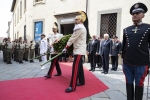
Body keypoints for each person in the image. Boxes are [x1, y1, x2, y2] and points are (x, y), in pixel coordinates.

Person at [122, 2, 150, 100]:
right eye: (133, 13)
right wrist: (123, 61)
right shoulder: (126, 30)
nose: (134, 15)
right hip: (128, 62)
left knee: (139, 84)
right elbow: (124, 47)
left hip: (141, 62)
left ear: (143, 15)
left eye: (138, 13)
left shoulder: (148, 28)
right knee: (128, 83)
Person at [62, 11, 89, 92]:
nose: (75, 20)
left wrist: (66, 47)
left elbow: (72, 38)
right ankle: (81, 81)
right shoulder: (82, 27)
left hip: (79, 51)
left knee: (75, 68)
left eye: (76, 19)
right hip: (79, 49)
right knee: (79, 67)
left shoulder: (79, 28)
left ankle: (72, 86)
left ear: (81, 20)